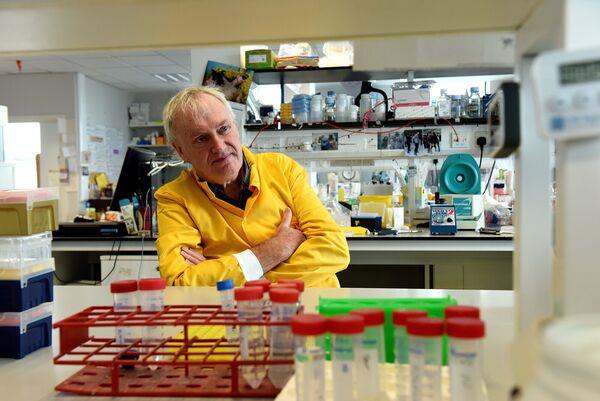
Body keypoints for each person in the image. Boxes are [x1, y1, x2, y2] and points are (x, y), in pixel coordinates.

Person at [155, 86, 349, 287]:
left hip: (312, 308)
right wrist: (274, 250)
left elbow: (334, 249)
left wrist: (248, 278)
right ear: (181, 151)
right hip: (235, 316)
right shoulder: (174, 198)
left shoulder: (282, 169)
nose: (219, 147)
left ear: (236, 128)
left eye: (223, 129)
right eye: (201, 139)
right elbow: (180, 282)